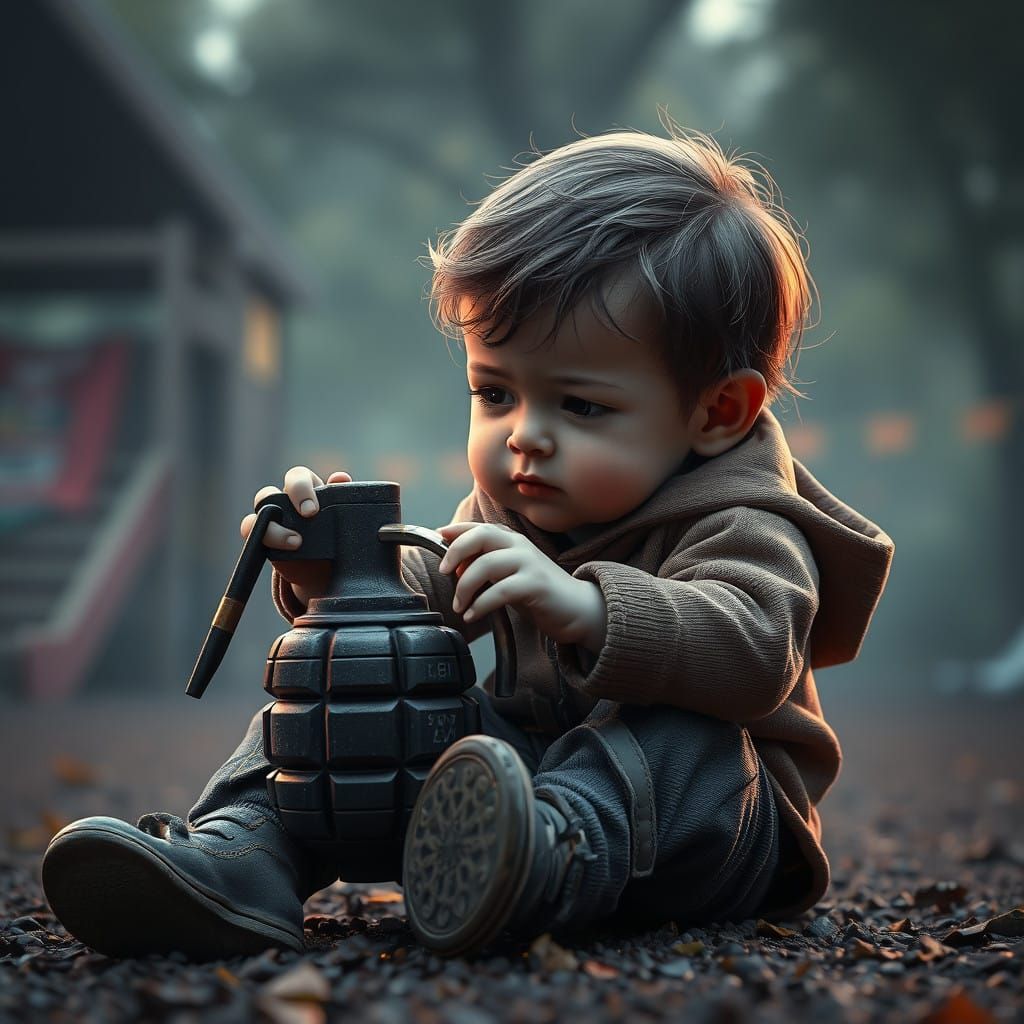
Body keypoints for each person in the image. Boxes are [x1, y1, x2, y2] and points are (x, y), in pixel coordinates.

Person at [41, 119, 894, 961]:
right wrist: (335, 569)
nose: (524, 436)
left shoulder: (745, 518)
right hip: (520, 782)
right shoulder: (515, 502)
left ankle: (534, 859)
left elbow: (757, 651)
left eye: (581, 405)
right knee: (352, 699)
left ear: (717, 412)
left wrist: (588, 608)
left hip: (718, 828)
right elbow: (423, 590)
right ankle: (246, 849)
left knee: (688, 737)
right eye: (494, 394)